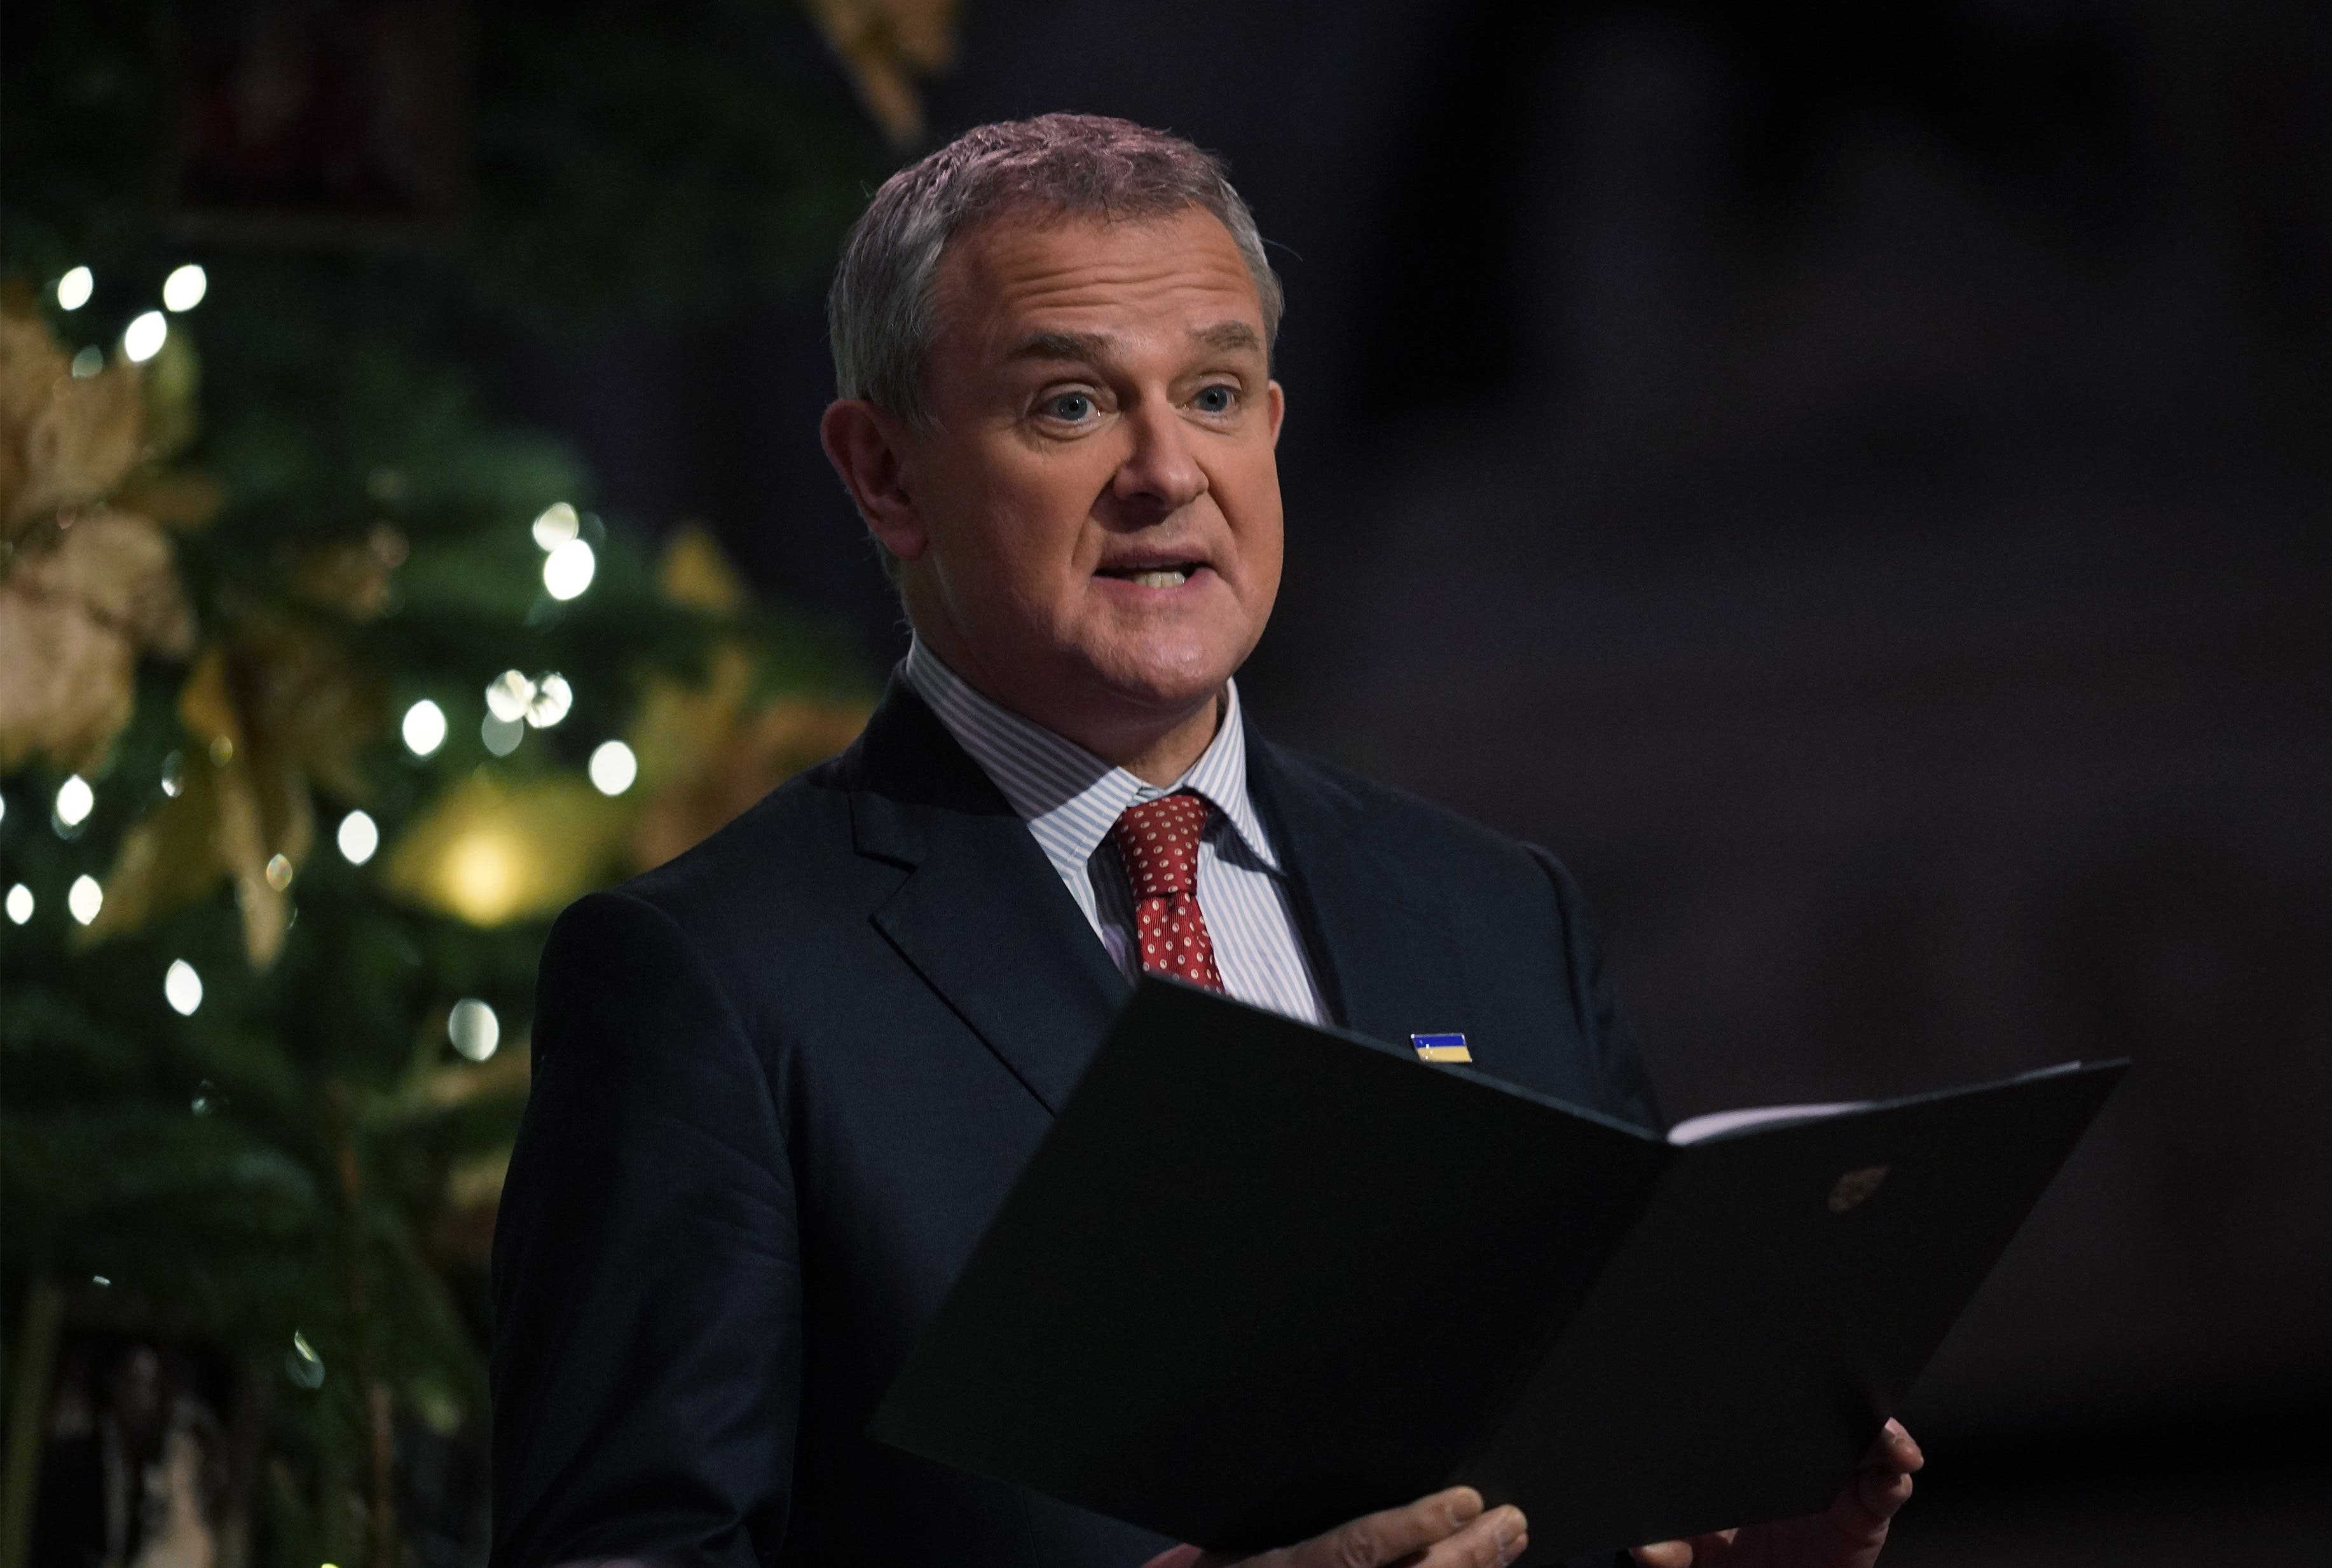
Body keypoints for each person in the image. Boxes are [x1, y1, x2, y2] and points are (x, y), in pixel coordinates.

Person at [489, 114, 1923, 1568]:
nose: (1165, 470)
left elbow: (1592, 1481)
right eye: (1067, 405)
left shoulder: (1495, 912)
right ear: (885, 474)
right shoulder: (712, 981)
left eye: (1217, 393)